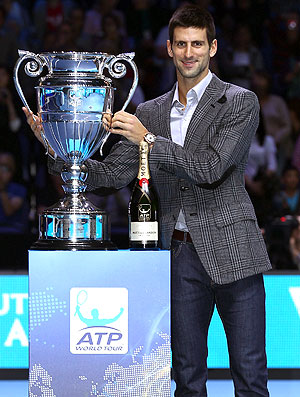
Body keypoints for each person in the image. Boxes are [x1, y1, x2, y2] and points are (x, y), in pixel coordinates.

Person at [24, 5, 271, 396]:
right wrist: (57, 149)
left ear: (213, 48)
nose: (190, 53)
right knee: (187, 377)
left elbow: (210, 169)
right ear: (169, 49)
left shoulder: (239, 102)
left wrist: (149, 141)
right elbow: (110, 176)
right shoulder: (149, 112)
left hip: (234, 251)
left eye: (198, 44)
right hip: (178, 255)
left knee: (250, 375)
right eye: (182, 44)